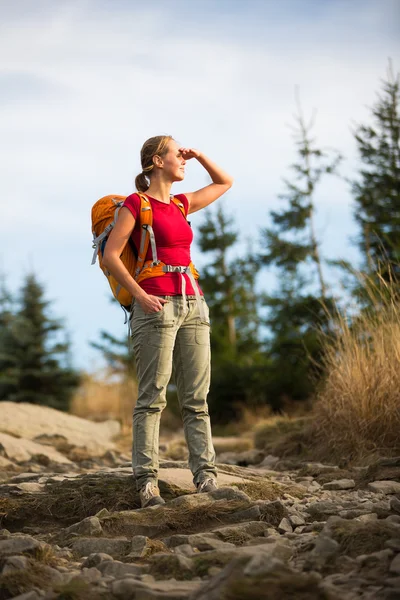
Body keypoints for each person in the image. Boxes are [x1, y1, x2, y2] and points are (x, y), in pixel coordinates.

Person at [102, 135, 233, 508]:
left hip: (194, 304)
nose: (183, 159)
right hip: (154, 305)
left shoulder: (181, 204)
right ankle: (147, 484)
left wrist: (202, 154)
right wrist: (139, 294)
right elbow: (112, 254)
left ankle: (206, 479)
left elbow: (225, 183)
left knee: (196, 399)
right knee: (152, 399)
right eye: (178, 154)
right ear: (157, 161)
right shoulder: (136, 204)